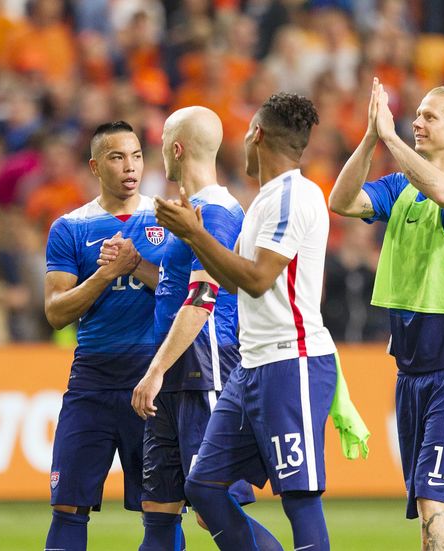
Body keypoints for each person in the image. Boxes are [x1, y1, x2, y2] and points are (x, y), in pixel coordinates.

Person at [155, 94, 338, 551]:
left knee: (298, 498)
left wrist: (195, 233)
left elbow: (256, 280)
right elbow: (234, 282)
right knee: (203, 487)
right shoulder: (263, 200)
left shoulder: (294, 196)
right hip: (252, 366)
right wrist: (193, 238)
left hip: (290, 361)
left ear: (256, 133)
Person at [329, 78, 444, 551]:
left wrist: (393, 139)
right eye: (416, 114)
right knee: (443, 507)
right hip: (410, 366)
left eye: (430, 116)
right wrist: (368, 139)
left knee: (431, 502)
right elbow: (341, 201)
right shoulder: (402, 187)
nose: (417, 121)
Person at [101, 106, 253, 550]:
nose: (159, 149)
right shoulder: (189, 211)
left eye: (164, 139)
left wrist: (154, 370)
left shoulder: (218, 213)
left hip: (204, 365)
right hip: (175, 368)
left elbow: (203, 299)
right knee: (160, 510)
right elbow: (177, 284)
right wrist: (137, 266)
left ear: (177, 148)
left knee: (213, 506)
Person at [43, 121, 167, 550]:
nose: (129, 166)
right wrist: (105, 274)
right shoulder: (70, 228)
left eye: (135, 155)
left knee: (162, 507)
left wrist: (137, 266)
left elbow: (190, 294)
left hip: (152, 376)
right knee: (67, 506)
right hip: (92, 379)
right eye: (117, 157)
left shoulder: (168, 218)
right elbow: (56, 312)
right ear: (96, 166)